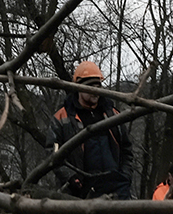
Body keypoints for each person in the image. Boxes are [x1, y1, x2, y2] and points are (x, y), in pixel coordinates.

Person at [52, 59, 130, 199]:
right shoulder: (62, 117)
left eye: (98, 86)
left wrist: (125, 176)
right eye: (90, 87)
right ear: (79, 87)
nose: (95, 91)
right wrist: (71, 178)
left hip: (116, 188)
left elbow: (127, 150)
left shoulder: (112, 114)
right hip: (80, 191)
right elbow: (53, 154)